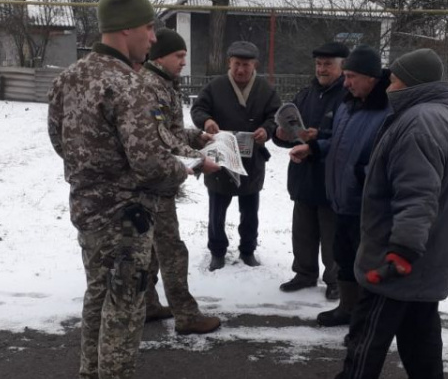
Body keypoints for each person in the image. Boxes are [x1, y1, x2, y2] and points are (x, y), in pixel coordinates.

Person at [305, 48, 448, 379]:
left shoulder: (418, 123)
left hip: (401, 256)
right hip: (432, 253)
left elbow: (416, 195)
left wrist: (399, 252)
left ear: (413, 84)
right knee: (421, 326)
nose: (390, 85)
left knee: (370, 329)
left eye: (396, 79)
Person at [48, 0, 190, 379]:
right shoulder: (128, 84)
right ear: (126, 29)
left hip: (87, 207)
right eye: (149, 28)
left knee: (98, 294)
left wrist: (94, 173)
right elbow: (149, 162)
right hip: (126, 214)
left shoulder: (69, 77)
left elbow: (59, 140)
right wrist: (184, 170)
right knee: (126, 304)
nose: (153, 38)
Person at [289, 45, 390, 326]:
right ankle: (347, 308)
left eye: (352, 77)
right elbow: (338, 144)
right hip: (341, 199)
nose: (345, 83)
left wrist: (361, 175)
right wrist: (314, 149)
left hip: (366, 204)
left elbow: (389, 160)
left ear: (372, 77)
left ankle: (365, 319)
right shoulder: (348, 105)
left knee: (364, 265)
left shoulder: (387, 112)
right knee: (344, 258)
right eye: (345, 76)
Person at [139, 28, 222, 335]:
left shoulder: (163, 84)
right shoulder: (151, 87)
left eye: (185, 56)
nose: (184, 62)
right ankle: (186, 315)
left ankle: (146, 304)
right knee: (172, 250)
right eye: (179, 56)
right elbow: (161, 143)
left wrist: (197, 137)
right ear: (159, 56)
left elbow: (171, 133)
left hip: (157, 180)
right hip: (155, 181)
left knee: (148, 249)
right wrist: (201, 161)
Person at [190, 41, 281, 271]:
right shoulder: (216, 86)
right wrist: (206, 121)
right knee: (217, 210)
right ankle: (217, 251)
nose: (241, 70)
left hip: (252, 160)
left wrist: (266, 130)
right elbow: (198, 109)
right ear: (229, 63)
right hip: (220, 157)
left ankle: (248, 250)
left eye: (246, 65)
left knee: (250, 210)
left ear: (254, 65)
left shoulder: (265, 89)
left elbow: (274, 116)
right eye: (237, 64)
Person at [273, 42, 348, 301]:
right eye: (318, 64)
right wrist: (281, 134)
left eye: (328, 64)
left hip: (329, 180)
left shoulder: (346, 97)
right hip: (302, 177)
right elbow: (286, 133)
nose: (321, 69)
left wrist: (319, 136)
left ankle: (335, 279)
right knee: (302, 231)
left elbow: (347, 137)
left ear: (341, 66)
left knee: (331, 235)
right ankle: (304, 273)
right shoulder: (304, 95)